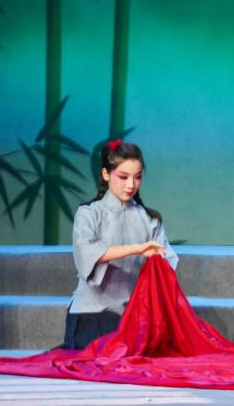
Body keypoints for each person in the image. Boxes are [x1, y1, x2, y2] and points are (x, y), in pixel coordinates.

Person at [62, 139, 178, 349]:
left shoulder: (150, 219)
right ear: (106, 174)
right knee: (105, 359)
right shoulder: (89, 213)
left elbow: (167, 265)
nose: (131, 185)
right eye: (123, 177)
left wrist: (158, 262)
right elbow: (87, 253)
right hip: (92, 313)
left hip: (133, 315)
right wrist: (137, 249)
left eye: (137, 177)